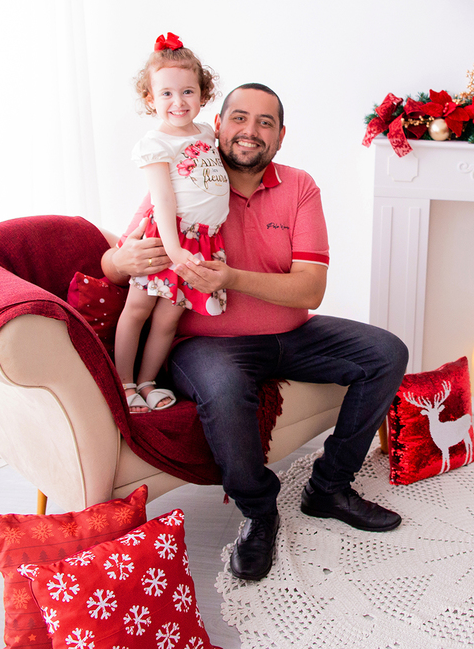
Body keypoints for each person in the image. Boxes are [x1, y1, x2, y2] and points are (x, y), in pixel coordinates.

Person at [102, 83, 408, 581]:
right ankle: (259, 513)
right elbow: (117, 260)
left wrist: (234, 279)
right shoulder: (187, 172)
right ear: (217, 126)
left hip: (293, 334)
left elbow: (310, 291)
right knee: (223, 389)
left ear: (281, 137)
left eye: (265, 122)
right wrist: (119, 257)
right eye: (239, 118)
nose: (250, 131)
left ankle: (329, 486)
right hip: (209, 342)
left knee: (386, 352)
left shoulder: (300, 187)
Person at [113, 33, 230, 414]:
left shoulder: (208, 134)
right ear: (150, 99)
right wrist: (175, 249)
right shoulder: (155, 143)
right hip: (169, 237)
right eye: (166, 94)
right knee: (138, 310)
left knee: (168, 318)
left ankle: (148, 381)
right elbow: (162, 199)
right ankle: (123, 382)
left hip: (202, 241)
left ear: (203, 94)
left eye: (187, 92)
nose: (178, 102)